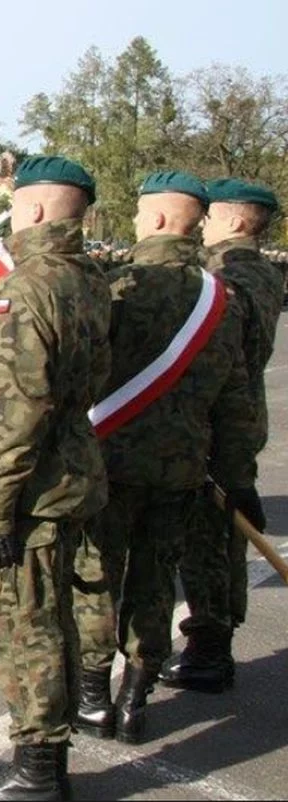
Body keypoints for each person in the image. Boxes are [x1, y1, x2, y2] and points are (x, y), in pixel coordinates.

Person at [69, 171, 259, 748]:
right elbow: (236, 401)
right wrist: (237, 479)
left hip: (110, 463)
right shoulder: (222, 299)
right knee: (155, 583)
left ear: (152, 219)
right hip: (182, 470)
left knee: (97, 577)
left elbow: (81, 375)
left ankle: (94, 694)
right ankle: (136, 698)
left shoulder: (117, 285)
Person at [0, 156, 109, 802]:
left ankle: (38, 772)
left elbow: (14, 413)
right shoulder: (88, 279)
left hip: (32, 493)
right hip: (69, 476)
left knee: (26, 626)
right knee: (53, 618)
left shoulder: (28, 289)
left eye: (16, 204)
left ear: (37, 210)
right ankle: (38, 756)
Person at [161, 179, 282, 693]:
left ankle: (209, 650)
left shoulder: (226, 281)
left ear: (234, 222)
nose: (202, 223)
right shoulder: (263, 274)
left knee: (208, 544)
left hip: (215, 429)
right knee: (222, 540)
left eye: (210, 215)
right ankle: (214, 642)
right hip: (238, 424)